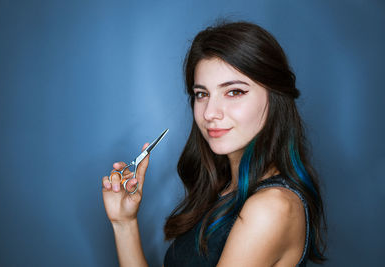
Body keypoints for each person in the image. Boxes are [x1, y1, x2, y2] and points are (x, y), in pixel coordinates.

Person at [101, 21, 326, 266]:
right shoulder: (226, 189)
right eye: (202, 94)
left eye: (234, 92)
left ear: (275, 97)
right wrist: (124, 223)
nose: (210, 112)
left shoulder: (272, 208)